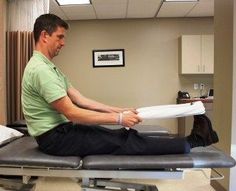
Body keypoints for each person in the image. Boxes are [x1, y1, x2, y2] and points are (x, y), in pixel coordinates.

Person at [21, 14, 219, 157]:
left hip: (62, 133)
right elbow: (73, 112)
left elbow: (81, 100)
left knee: (122, 135)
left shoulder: (49, 68)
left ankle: (193, 140)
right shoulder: (40, 70)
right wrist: (118, 118)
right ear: (45, 35)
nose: (63, 43)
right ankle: (194, 141)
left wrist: (120, 111)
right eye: (60, 37)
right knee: (124, 141)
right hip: (55, 139)